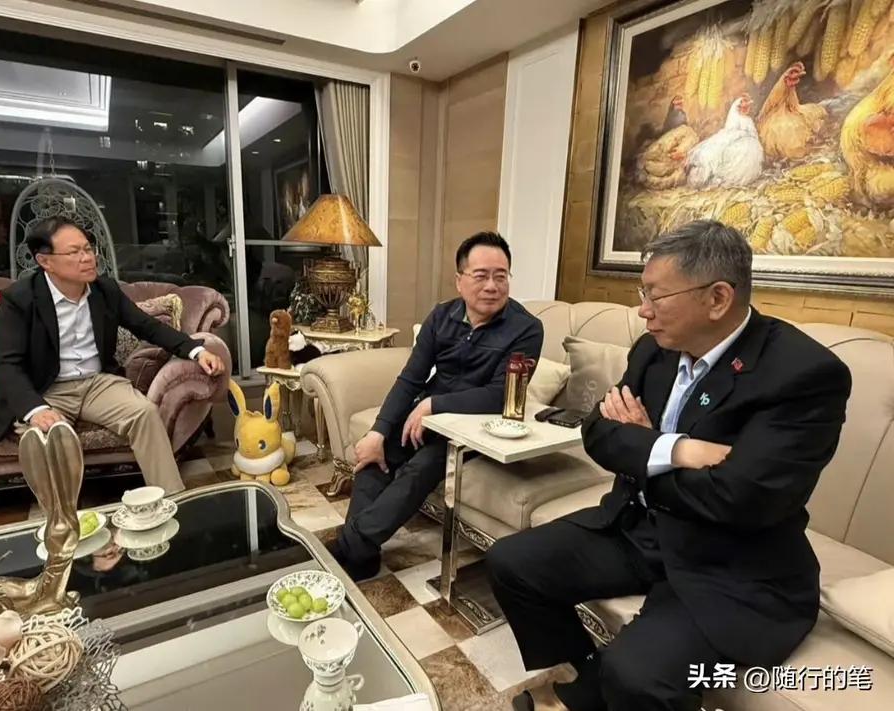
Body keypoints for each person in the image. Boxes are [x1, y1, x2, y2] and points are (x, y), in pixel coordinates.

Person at [487, 220, 852, 711]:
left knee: (637, 675)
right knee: (512, 563)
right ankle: (588, 680)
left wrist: (642, 448)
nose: (643, 310)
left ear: (717, 298)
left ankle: (605, 686)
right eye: (644, 294)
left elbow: (742, 498)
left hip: (730, 559)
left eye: (656, 296)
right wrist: (677, 449)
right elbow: (597, 431)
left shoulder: (802, 374)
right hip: (638, 528)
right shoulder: (654, 350)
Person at [329, 231, 544, 581]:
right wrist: (379, 430)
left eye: (501, 276)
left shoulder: (527, 329)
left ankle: (350, 544)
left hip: (474, 430)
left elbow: (499, 396)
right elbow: (411, 378)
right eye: (481, 276)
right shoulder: (441, 316)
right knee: (373, 455)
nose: (492, 286)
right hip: (426, 418)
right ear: (459, 280)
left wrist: (434, 404)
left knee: (422, 467)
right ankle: (362, 554)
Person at [0, 217, 226, 494]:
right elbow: (6, 363)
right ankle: (63, 515)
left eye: (88, 249)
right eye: (74, 252)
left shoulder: (104, 290)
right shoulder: (19, 299)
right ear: (45, 261)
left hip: (97, 383)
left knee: (144, 413)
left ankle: (172, 499)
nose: (87, 258)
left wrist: (196, 350)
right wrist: (36, 410)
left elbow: (147, 326)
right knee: (44, 438)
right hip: (46, 388)